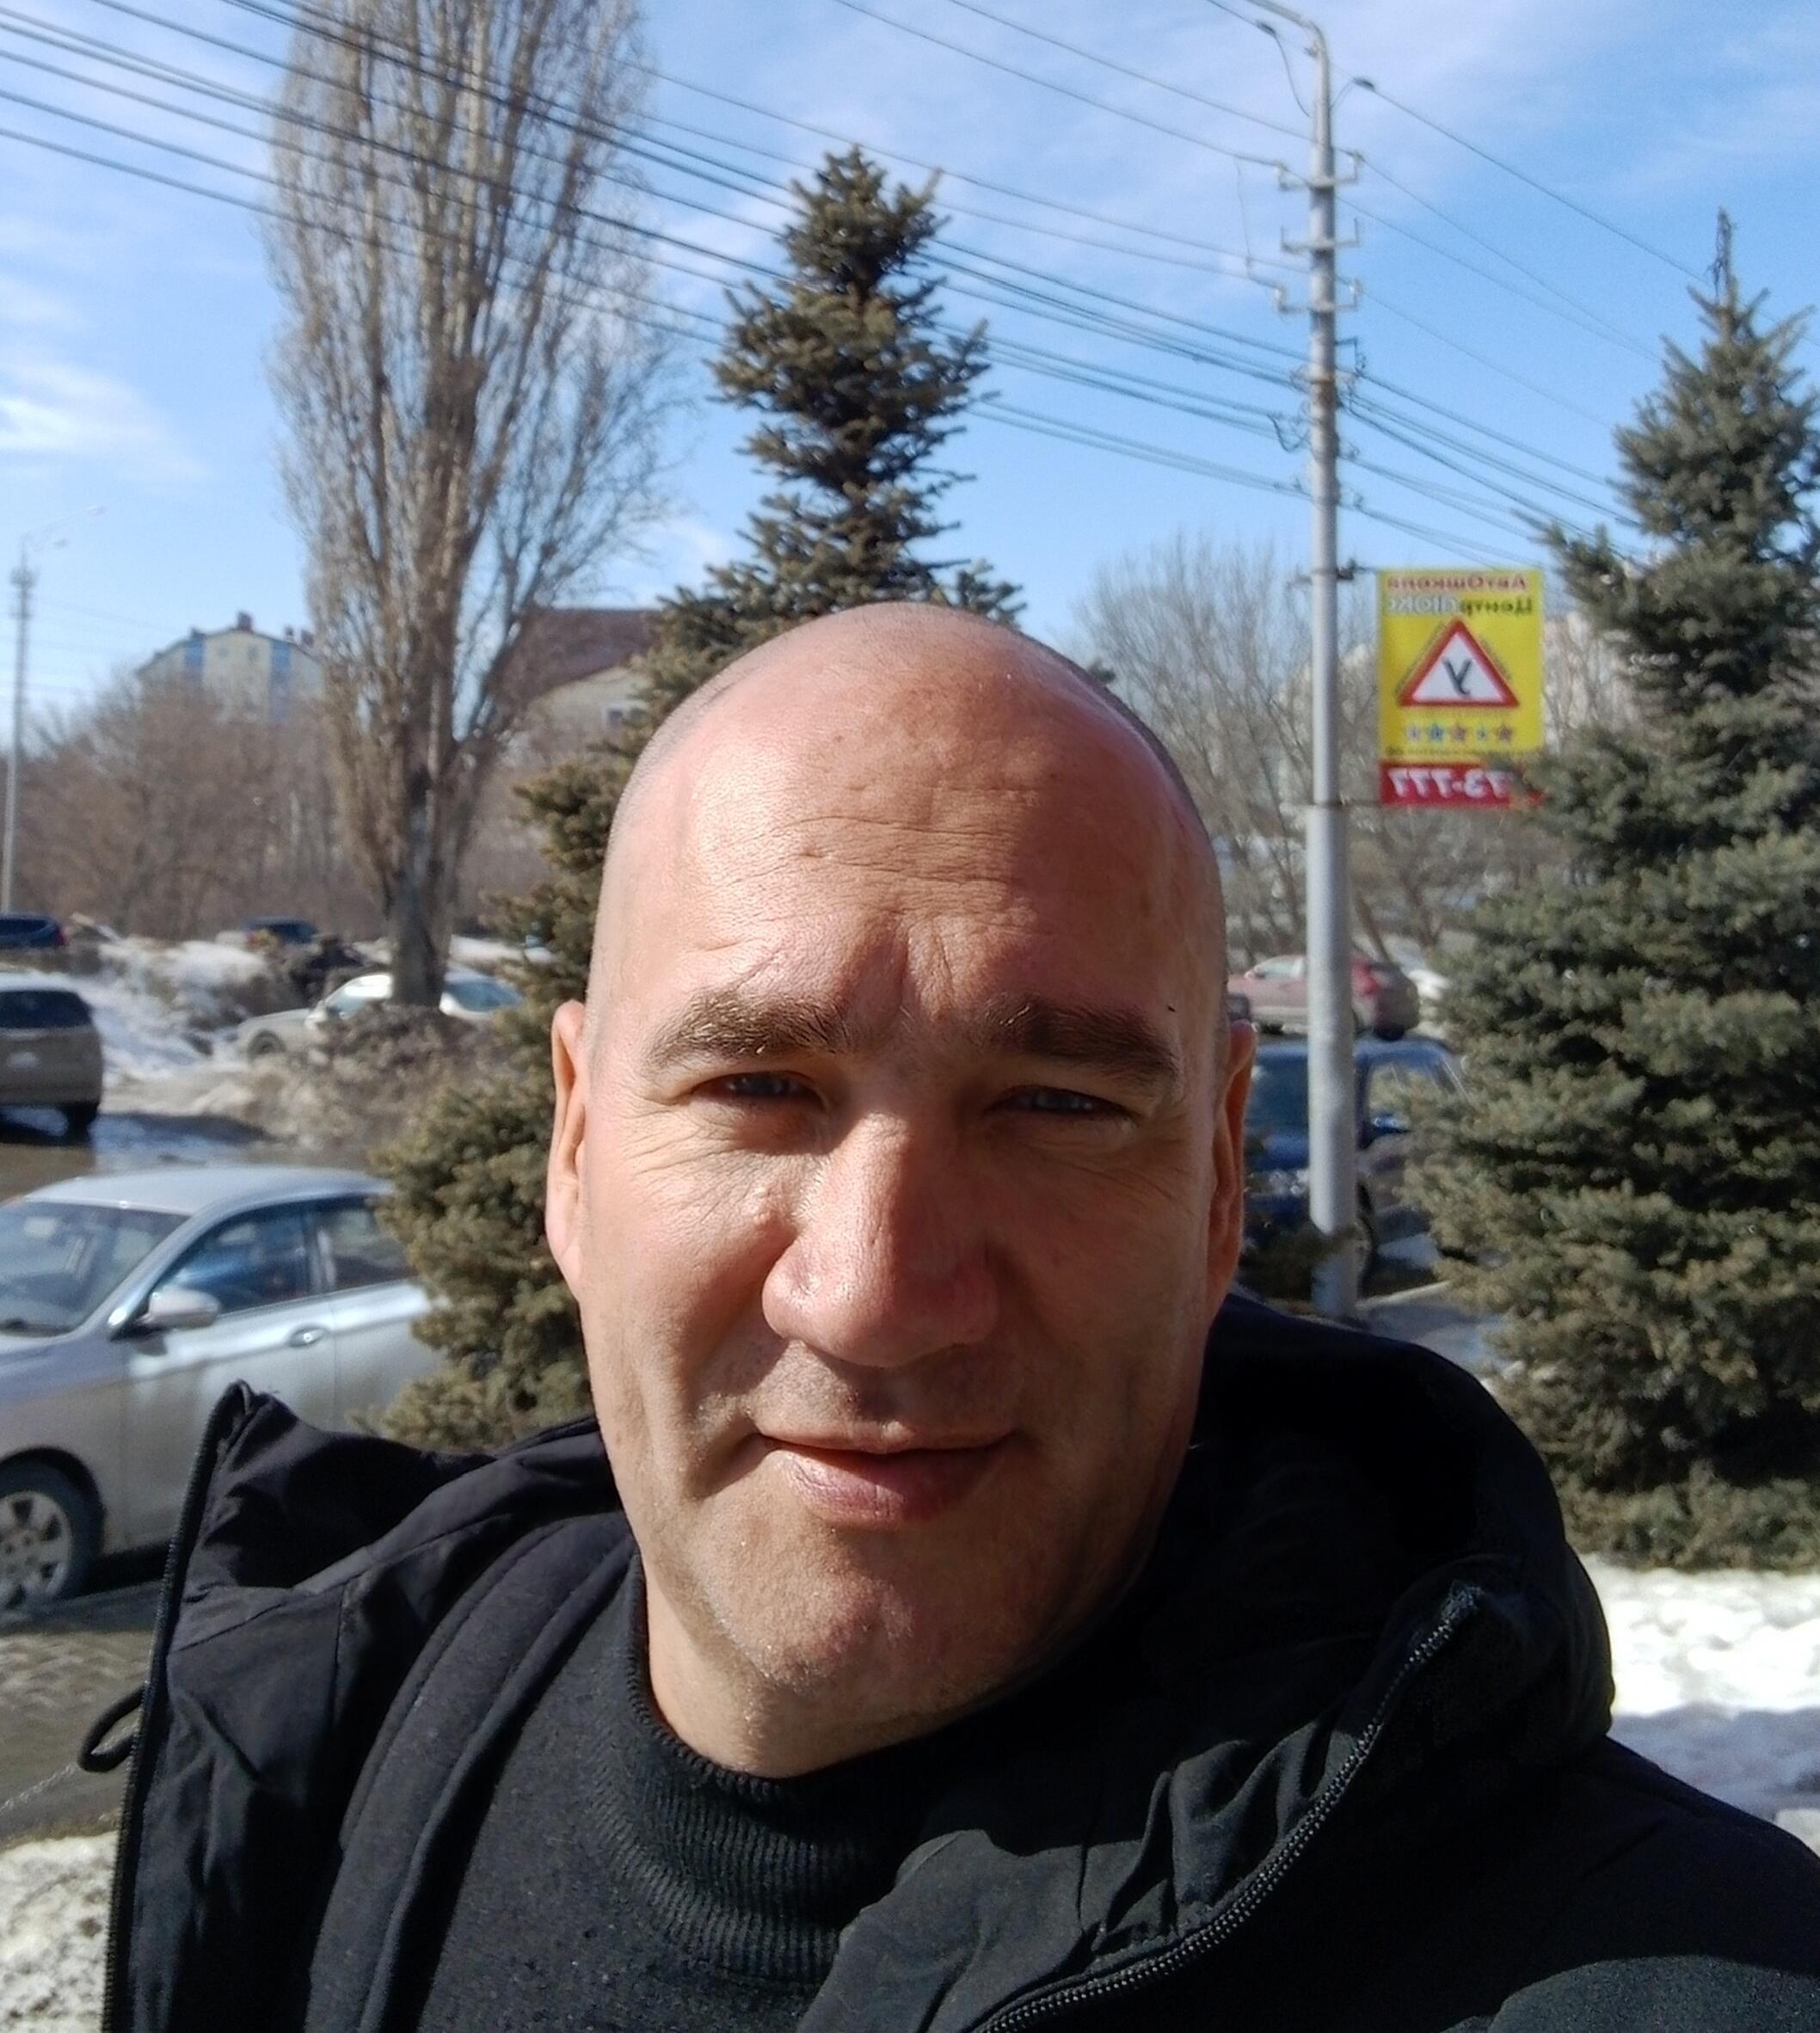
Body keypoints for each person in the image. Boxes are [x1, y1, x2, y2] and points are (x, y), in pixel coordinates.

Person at [101, 605, 1820, 2031]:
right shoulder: (355, 1731)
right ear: (575, 1145)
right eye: (759, 1086)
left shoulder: (1682, 1976)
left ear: (1223, 1180)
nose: (873, 1296)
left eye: (1057, 1105)